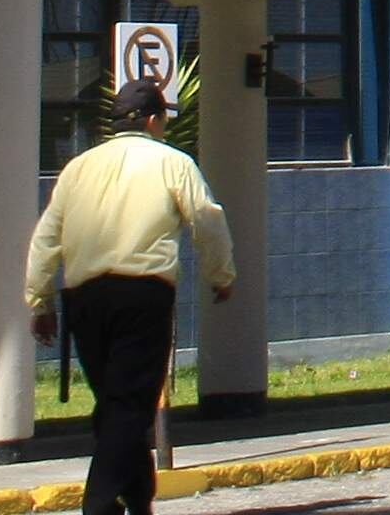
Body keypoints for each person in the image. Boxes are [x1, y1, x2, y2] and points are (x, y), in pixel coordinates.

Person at [28, 80, 235, 515]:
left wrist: (41, 301)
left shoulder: (78, 168)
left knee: (118, 401)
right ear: (155, 120)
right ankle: (99, 504)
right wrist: (221, 275)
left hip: (84, 298)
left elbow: (47, 238)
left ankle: (138, 498)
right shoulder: (172, 162)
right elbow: (206, 219)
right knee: (128, 403)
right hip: (143, 295)